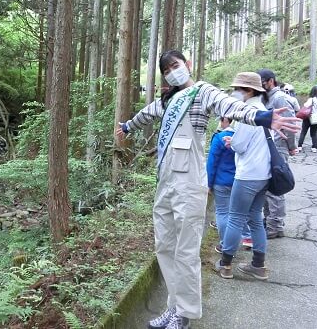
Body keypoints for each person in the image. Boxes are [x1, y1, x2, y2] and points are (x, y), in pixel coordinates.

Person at [115, 50, 299, 329]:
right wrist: (127, 126)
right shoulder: (169, 100)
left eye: (175, 66)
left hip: (188, 182)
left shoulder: (201, 93)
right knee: (164, 246)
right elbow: (147, 113)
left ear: (187, 65)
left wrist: (263, 118)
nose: (172, 72)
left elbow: (229, 106)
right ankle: (173, 306)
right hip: (164, 181)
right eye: (167, 70)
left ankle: (184, 314)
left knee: (186, 250)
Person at [214, 72, 271, 280]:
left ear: (249, 91)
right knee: (255, 218)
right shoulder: (265, 111)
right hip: (264, 174)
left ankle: (226, 264)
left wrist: (231, 142)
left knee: (235, 218)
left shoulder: (249, 113)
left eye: (238, 89)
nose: (235, 93)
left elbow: (239, 144)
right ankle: (258, 265)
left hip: (247, 175)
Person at [257, 69, 297, 239]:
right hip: (267, 146)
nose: (260, 85)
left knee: (276, 186)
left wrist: (291, 146)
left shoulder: (279, 98)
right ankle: (270, 221)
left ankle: (276, 225)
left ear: (271, 81)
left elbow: (290, 124)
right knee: (267, 186)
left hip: (279, 146)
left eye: (262, 82)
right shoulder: (263, 98)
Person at [207, 117, 252, 253]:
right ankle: (248, 238)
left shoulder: (220, 137)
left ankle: (225, 245)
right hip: (241, 180)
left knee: (222, 212)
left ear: (226, 120)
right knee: (239, 212)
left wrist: (208, 183)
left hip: (221, 182)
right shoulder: (246, 137)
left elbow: (212, 162)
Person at [299, 86, 317, 153]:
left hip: (308, 118)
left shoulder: (311, 99)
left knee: (303, 132)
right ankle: (314, 147)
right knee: (313, 133)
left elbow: (306, 106)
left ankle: (299, 146)